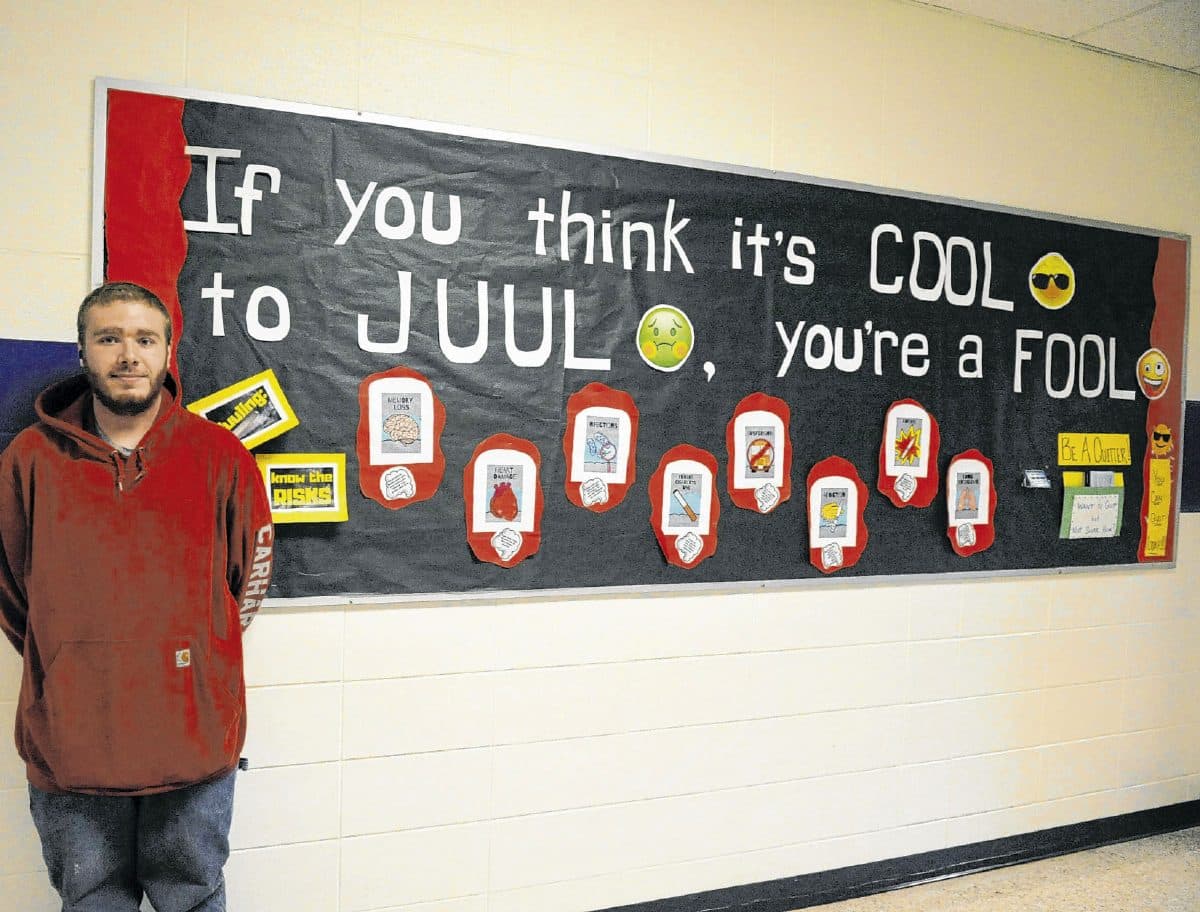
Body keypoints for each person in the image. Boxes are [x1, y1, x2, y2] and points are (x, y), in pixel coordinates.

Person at [0, 282, 274, 911]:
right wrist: (65, 657)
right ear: (83, 352)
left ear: (168, 350)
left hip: (192, 738)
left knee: (195, 898)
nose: (128, 355)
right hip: (72, 744)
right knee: (91, 901)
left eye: (145, 339)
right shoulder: (29, 460)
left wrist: (197, 654)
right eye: (109, 338)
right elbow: (15, 590)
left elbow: (248, 579)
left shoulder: (220, 456)